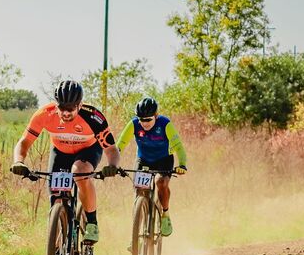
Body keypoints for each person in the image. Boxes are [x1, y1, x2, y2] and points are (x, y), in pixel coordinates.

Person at [10, 80, 120, 244]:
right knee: (57, 196)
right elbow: (24, 142)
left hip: (88, 150)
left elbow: (111, 149)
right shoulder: (44, 114)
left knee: (79, 172)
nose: (65, 113)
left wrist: (113, 166)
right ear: (56, 105)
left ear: (79, 105)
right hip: (60, 152)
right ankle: (59, 238)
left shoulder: (93, 117)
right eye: (61, 108)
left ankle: (92, 222)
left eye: (70, 109)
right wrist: (19, 161)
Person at [116, 96, 187, 236]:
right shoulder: (134, 124)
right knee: (139, 189)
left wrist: (182, 165)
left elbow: (178, 146)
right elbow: (120, 145)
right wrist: (115, 163)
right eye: (142, 119)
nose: (145, 123)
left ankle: (165, 214)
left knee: (161, 182)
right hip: (143, 159)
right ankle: (136, 233)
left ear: (156, 115)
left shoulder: (165, 124)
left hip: (163, 159)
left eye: (148, 119)